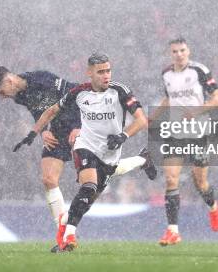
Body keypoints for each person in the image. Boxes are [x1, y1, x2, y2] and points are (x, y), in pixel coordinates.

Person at [0, 66, 156, 250]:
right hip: (58, 132)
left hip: (84, 125)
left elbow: (76, 98)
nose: (3, 97)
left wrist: (77, 126)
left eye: (1, 92)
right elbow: (38, 110)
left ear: (8, 81)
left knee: (96, 180)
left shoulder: (42, 78)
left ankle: (142, 159)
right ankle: (63, 235)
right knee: (48, 179)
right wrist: (43, 131)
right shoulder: (18, 95)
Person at [30, 53, 148, 252]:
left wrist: (122, 136)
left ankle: (142, 159)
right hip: (85, 146)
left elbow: (142, 120)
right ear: (89, 73)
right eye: (100, 72)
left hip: (110, 151)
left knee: (89, 199)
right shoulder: (79, 92)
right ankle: (68, 238)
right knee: (89, 186)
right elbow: (52, 111)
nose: (106, 75)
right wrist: (34, 132)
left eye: (108, 71)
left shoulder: (120, 91)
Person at [149, 37, 218, 246]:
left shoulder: (200, 71)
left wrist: (196, 111)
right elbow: (168, 99)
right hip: (175, 132)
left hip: (198, 132)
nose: (179, 54)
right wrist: (152, 117)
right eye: (175, 51)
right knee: (171, 178)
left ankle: (213, 206)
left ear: (188, 51)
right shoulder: (166, 74)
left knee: (200, 182)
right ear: (170, 54)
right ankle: (173, 231)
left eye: (182, 50)